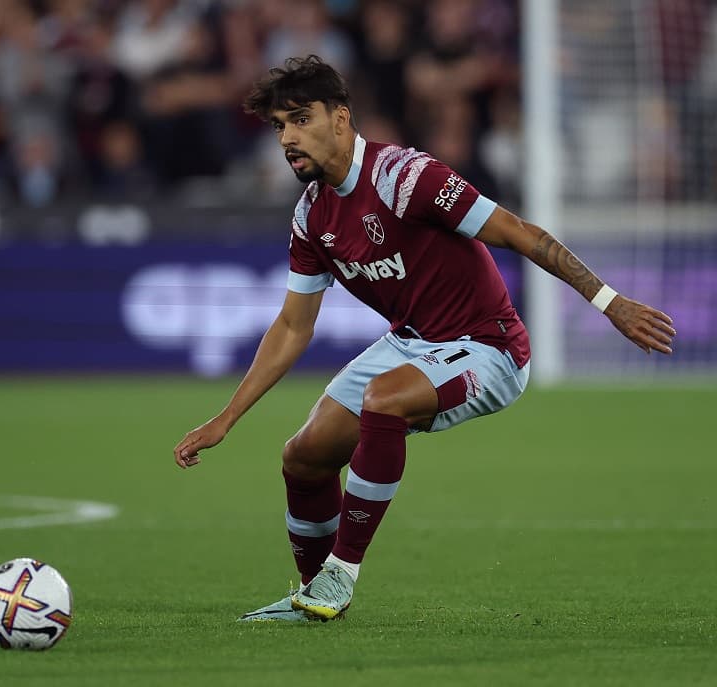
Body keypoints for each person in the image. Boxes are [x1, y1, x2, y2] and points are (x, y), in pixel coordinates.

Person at [172, 55, 676, 622]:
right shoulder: (312, 217)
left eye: (300, 119)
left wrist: (609, 302)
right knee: (304, 458)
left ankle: (341, 573)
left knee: (384, 399)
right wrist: (226, 419)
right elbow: (293, 325)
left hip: (489, 347)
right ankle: (312, 597)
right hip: (412, 342)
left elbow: (518, 232)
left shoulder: (405, 178)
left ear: (340, 118)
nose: (287, 139)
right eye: (279, 126)